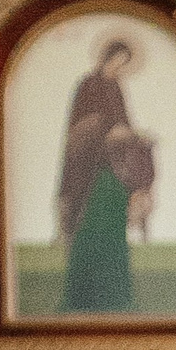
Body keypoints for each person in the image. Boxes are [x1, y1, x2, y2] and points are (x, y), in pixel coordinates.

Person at [56, 35, 154, 317]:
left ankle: (116, 298)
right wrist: (109, 131)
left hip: (115, 173)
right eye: (115, 63)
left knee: (114, 233)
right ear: (106, 58)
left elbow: (123, 123)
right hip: (91, 174)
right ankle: (81, 298)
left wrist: (133, 135)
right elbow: (81, 128)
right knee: (89, 230)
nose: (118, 69)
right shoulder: (89, 85)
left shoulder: (116, 87)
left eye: (123, 65)